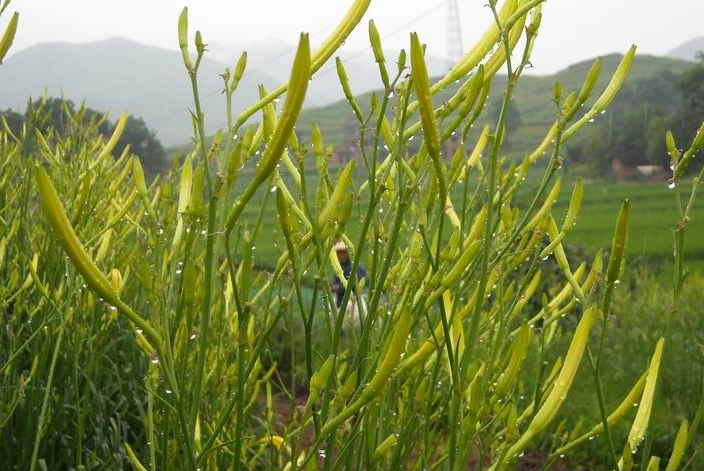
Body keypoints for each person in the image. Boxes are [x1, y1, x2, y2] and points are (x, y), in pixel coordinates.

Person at [330, 241, 367, 329]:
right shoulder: (339, 268)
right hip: (340, 301)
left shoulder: (355, 267)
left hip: (354, 301)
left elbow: (357, 284)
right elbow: (335, 282)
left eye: (342, 253)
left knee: (354, 325)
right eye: (338, 253)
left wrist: (338, 287)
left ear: (347, 253)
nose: (340, 255)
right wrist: (332, 286)